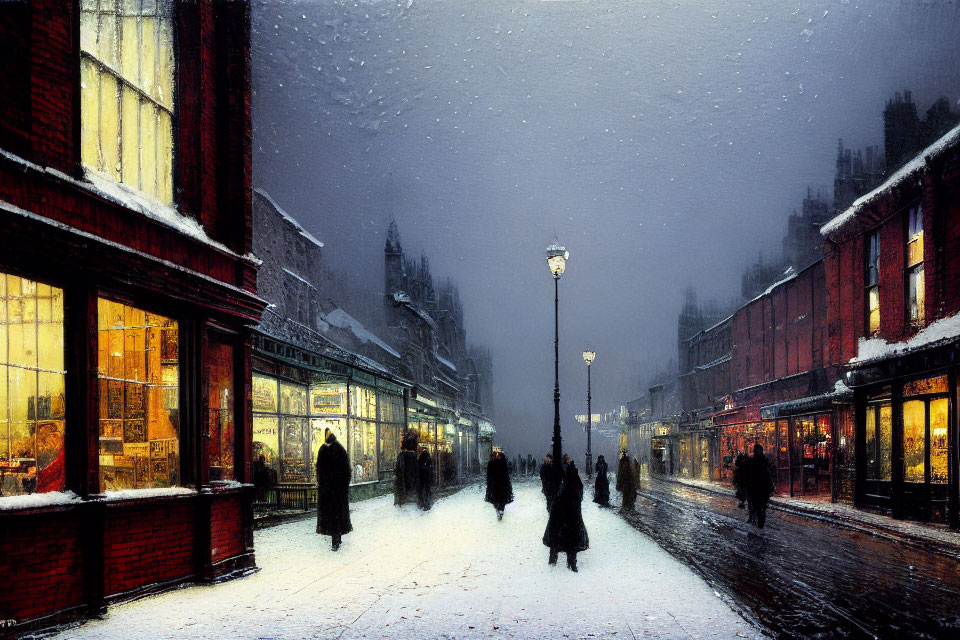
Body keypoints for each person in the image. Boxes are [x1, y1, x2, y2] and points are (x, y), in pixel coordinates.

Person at [543, 461, 589, 571]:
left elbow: (556, 503)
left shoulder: (563, 487)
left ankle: (553, 559)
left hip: (562, 518)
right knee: (572, 541)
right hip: (573, 519)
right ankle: (571, 563)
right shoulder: (575, 486)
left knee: (557, 538)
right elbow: (579, 497)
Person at [316, 428, 352, 551]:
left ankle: (335, 540)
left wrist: (323, 484)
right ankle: (337, 537)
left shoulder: (325, 450)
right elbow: (347, 470)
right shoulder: (339, 449)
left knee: (332, 515)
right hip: (336, 490)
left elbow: (319, 471)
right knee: (337, 514)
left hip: (330, 490)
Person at [744, 443, 775, 529]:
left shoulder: (753, 461)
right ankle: (760, 519)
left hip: (757, 486)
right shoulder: (763, 461)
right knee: (761, 505)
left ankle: (758, 518)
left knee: (757, 504)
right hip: (762, 486)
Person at [485, 450, 514, 520]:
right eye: (496, 454)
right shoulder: (491, 463)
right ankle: (498, 510)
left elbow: (506, 473)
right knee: (495, 499)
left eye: (498, 454)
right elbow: (489, 475)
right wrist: (489, 483)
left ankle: (501, 510)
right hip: (494, 484)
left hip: (501, 484)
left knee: (501, 498)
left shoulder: (503, 462)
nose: (497, 455)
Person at [394, 431, 418, 506]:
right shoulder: (412, 456)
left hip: (403, 478)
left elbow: (398, 468)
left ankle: (402, 498)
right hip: (408, 477)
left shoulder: (402, 455)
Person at [417, 446, 434, 511]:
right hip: (427, 476)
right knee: (427, 490)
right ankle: (427, 504)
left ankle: (422, 504)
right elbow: (430, 468)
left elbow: (419, 466)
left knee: (421, 490)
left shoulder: (421, 456)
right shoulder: (428, 456)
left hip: (422, 476)